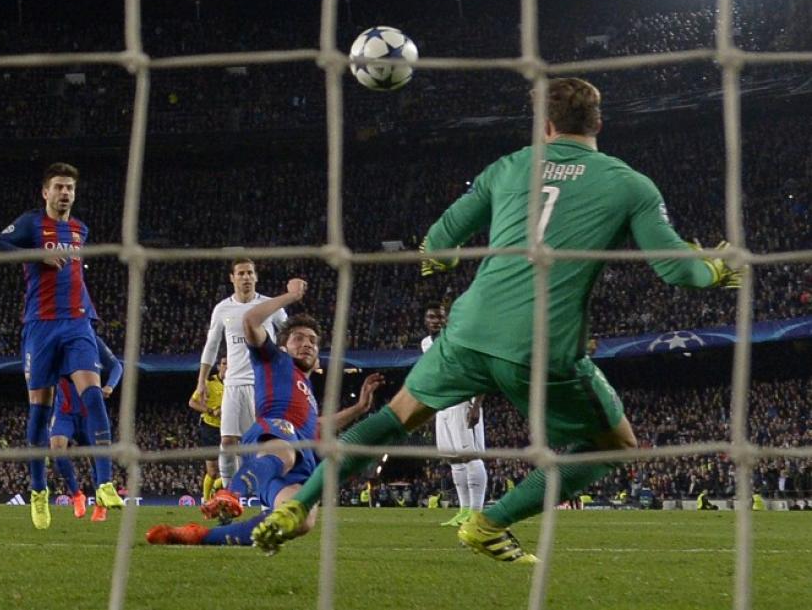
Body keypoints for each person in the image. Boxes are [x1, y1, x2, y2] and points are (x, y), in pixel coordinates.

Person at [252, 77, 742, 561]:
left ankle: (300, 507)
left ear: (544, 124)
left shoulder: (509, 167)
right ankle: (489, 524)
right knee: (613, 444)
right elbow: (677, 269)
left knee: (394, 417)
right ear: (598, 122)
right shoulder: (629, 184)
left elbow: (440, 242)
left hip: (467, 330)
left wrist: (440, 261)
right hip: (541, 344)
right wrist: (719, 269)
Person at [146, 278, 380, 546]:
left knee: (300, 519)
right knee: (285, 446)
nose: (307, 344)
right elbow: (250, 322)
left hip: (295, 459)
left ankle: (198, 536)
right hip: (271, 436)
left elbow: (318, 425)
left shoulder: (307, 391)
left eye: (313, 341)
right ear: (284, 346)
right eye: (299, 338)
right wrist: (289, 297)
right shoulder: (273, 359)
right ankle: (230, 494)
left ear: (318, 357)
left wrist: (359, 408)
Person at [0, 162, 124, 530]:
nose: (65, 193)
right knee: (38, 413)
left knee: (93, 394)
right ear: (45, 192)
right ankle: (38, 490)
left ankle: (106, 482)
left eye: (70, 188)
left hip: (78, 322)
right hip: (40, 326)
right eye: (59, 187)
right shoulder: (31, 224)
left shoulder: (81, 230)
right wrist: (36, 255)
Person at [193, 259, 288, 489]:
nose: (246, 277)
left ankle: (270, 494)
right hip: (233, 385)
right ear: (232, 278)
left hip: (263, 384)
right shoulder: (222, 309)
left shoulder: (270, 306)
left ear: (256, 277)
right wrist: (201, 382)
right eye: (241, 273)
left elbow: (289, 334)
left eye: (250, 273)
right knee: (227, 442)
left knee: (266, 443)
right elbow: (211, 345)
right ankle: (229, 495)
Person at [421, 302, 487, 527]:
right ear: (425, 320)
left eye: (440, 317)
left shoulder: (461, 339)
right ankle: (463, 510)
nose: (436, 320)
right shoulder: (426, 344)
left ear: (447, 319)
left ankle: (476, 513)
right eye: (431, 316)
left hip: (463, 402)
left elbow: (481, 371)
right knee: (454, 460)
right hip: (443, 407)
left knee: (471, 457)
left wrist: (476, 405)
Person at [49, 334, 123, 522]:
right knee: (57, 448)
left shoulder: (91, 339)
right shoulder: (55, 339)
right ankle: (76, 495)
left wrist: (110, 386)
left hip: (89, 412)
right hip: (65, 410)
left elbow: (116, 366)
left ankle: (100, 503)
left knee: (95, 457)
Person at [189, 355, 227, 504]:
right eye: (224, 363)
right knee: (212, 471)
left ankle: (215, 492)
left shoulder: (236, 384)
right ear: (218, 366)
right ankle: (206, 500)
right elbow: (192, 402)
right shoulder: (209, 383)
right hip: (211, 428)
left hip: (230, 430)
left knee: (234, 467)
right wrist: (211, 411)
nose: (227, 366)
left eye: (230, 364)